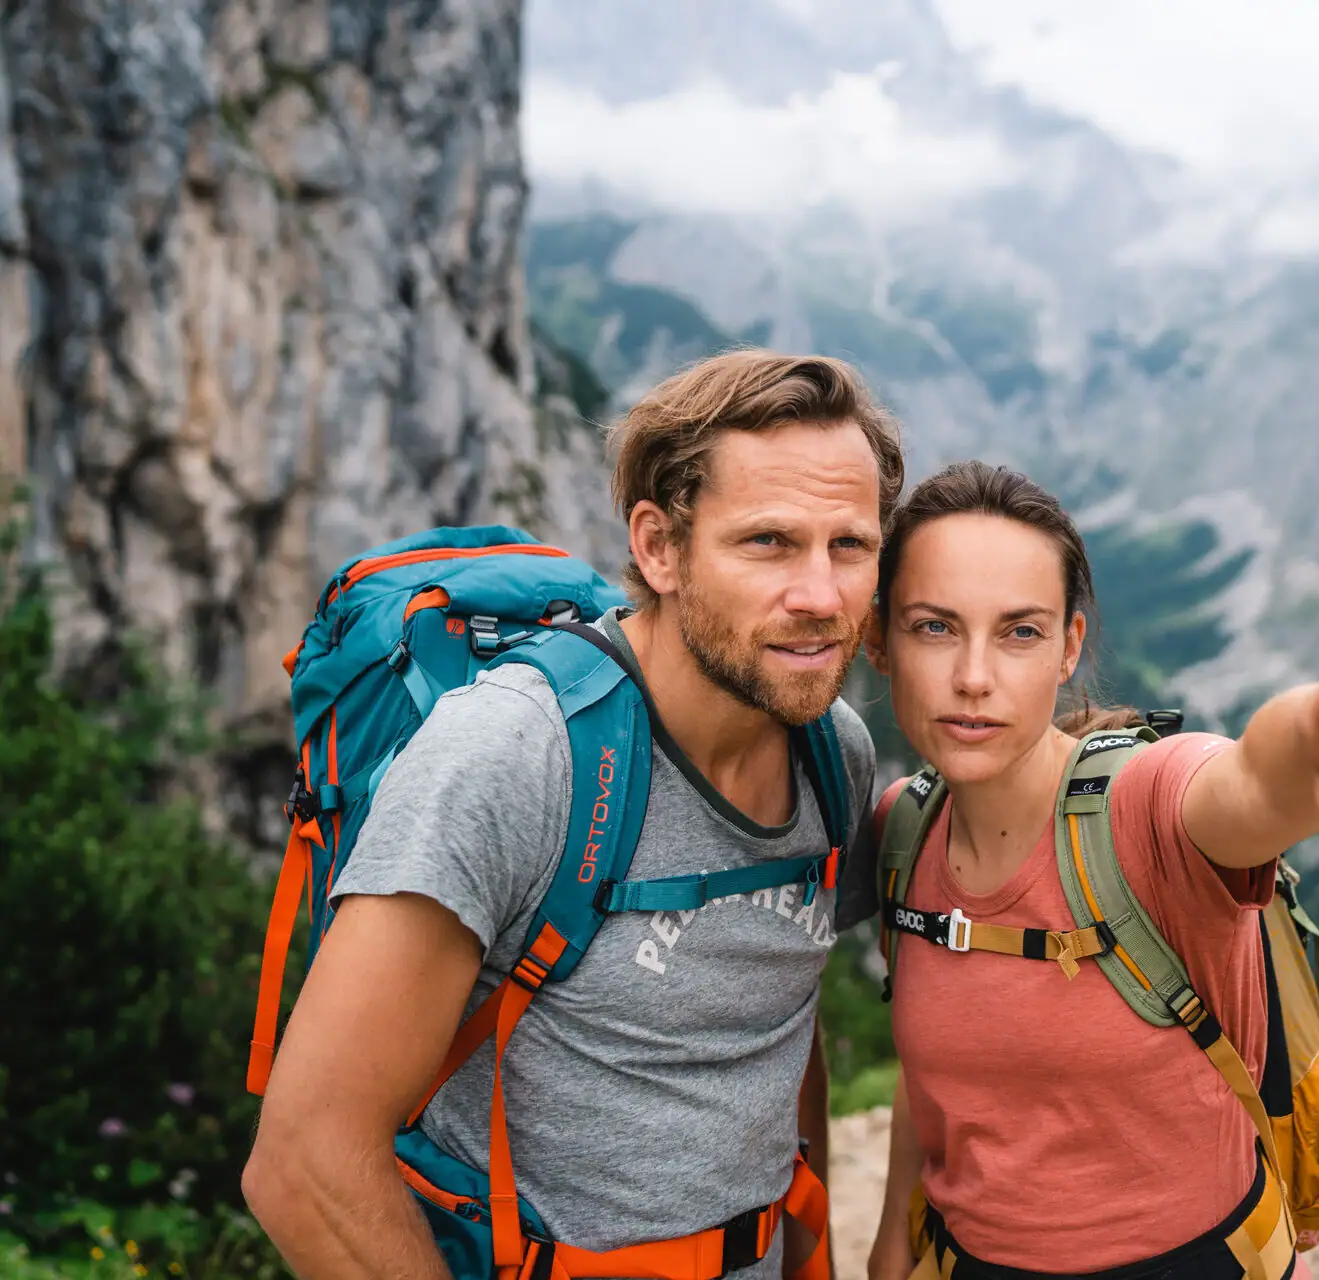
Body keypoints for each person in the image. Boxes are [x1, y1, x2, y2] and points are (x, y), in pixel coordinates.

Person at [243, 350, 904, 1280]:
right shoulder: (516, 757)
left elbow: (774, 1026)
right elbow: (304, 1161)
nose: (821, 597)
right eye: (767, 543)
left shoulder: (832, 749)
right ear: (658, 547)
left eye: (851, 546)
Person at [860, 461, 1319, 1280]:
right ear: (880, 642)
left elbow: (1247, 781)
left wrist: (1315, 745)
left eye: (1021, 632)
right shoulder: (903, 829)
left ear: (1069, 647)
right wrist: (893, 1233)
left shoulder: (1142, 812)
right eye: (934, 627)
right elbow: (935, 1066)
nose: (974, 676)